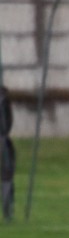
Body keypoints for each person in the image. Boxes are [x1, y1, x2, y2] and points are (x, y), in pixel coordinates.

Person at [0, 86, 15, 222]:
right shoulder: (4, 97)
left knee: (6, 174)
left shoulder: (4, 96)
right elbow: (8, 122)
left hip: (3, 140)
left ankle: (8, 209)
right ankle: (8, 210)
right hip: (3, 141)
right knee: (6, 175)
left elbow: (8, 122)